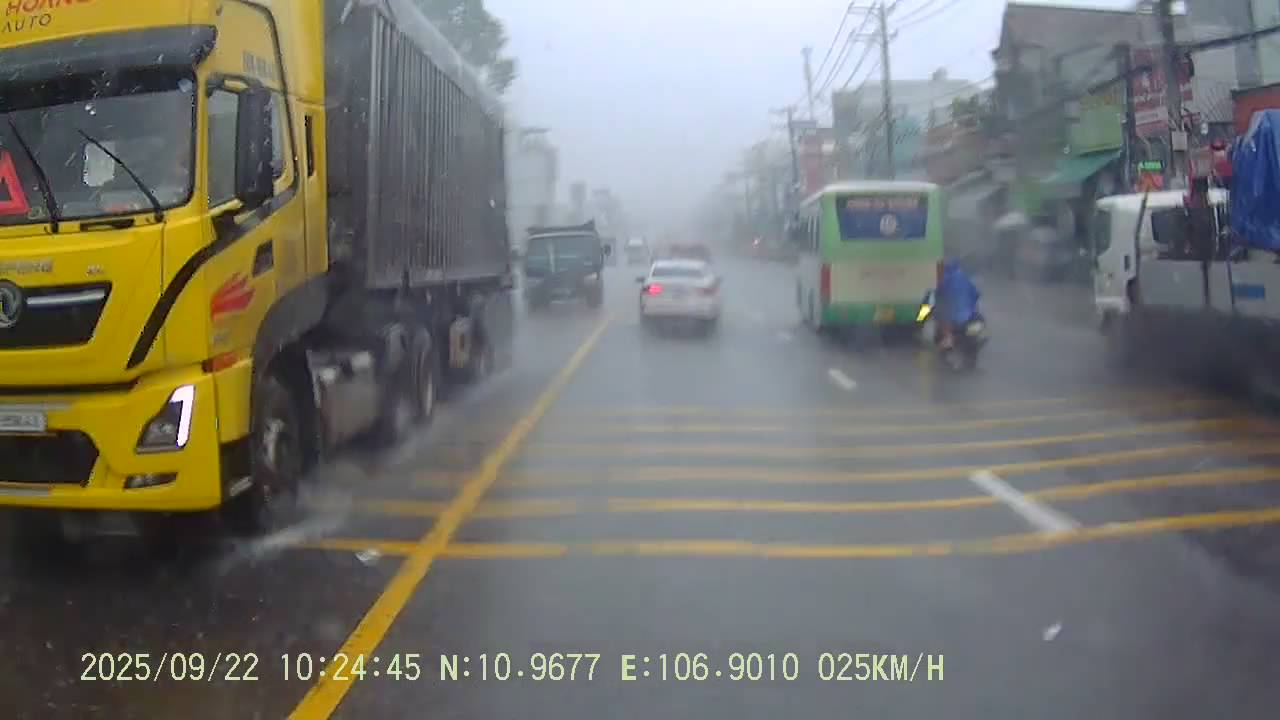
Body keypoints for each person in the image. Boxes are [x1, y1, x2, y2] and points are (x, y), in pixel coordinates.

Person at [934, 260, 981, 349]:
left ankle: (948, 339)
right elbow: (976, 294)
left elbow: (937, 293)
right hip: (969, 314)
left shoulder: (944, 278)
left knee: (941, 316)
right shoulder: (963, 277)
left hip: (952, 317)